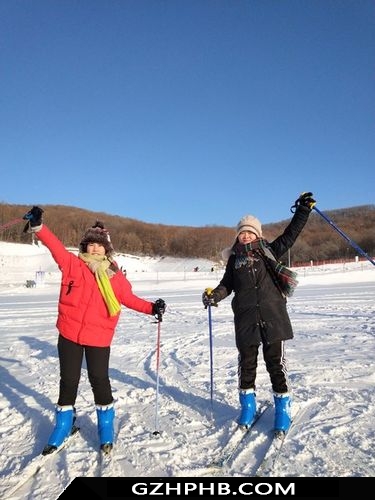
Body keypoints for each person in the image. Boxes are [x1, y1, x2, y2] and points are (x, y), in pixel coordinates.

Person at [22, 206, 166, 455]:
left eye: (100, 245)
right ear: (85, 246)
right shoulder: (72, 265)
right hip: (69, 333)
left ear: (106, 249)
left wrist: (152, 307)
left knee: (99, 380)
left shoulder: (114, 275)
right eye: (91, 244)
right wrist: (38, 226)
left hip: (99, 336)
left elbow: (129, 298)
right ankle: (64, 424)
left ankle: (106, 425)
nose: (95, 248)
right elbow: (54, 245)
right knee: (68, 381)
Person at [202, 192, 316, 434]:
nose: (245, 235)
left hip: (273, 316)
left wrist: (303, 210)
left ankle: (282, 409)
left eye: (250, 232)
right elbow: (226, 285)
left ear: (258, 234)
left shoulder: (269, 251)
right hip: (246, 320)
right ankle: (247, 407)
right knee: (247, 364)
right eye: (242, 232)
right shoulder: (234, 261)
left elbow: (291, 235)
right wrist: (214, 296)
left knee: (276, 364)